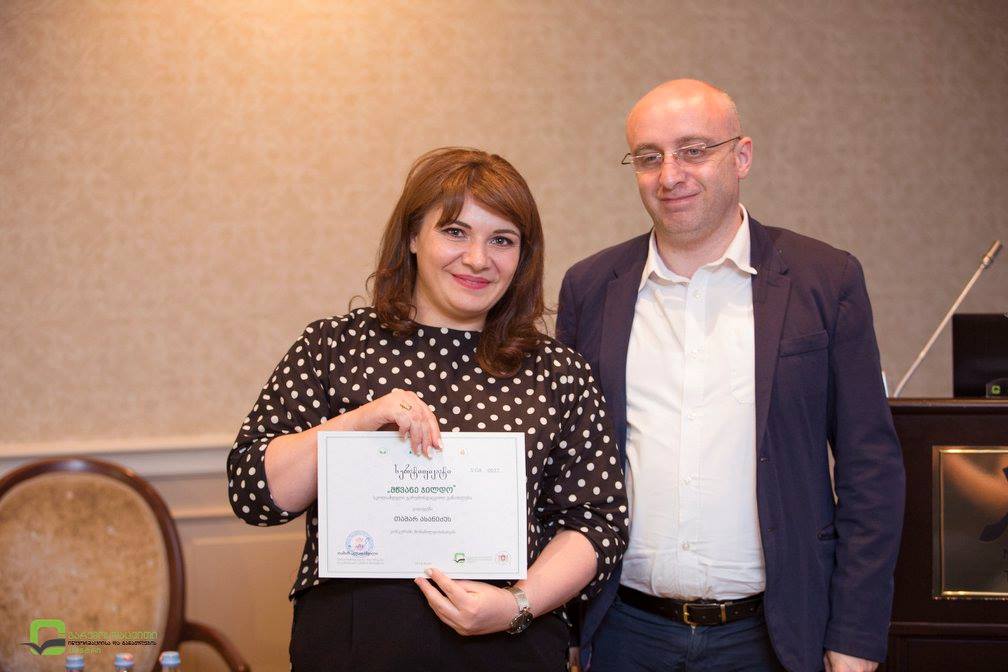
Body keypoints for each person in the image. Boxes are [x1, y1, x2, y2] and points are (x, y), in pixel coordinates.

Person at [227, 147, 628, 672]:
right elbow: (255, 495)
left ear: (523, 256)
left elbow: (596, 521)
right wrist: (357, 423)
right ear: (413, 236)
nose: (478, 259)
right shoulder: (334, 347)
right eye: (455, 232)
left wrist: (515, 605)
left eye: (501, 240)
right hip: (355, 640)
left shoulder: (558, 371)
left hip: (509, 643)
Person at [556, 80, 905, 672]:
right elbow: (564, 467)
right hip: (621, 631)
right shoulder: (590, 288)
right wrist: (564, 622)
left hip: (774, 634)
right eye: (649, 157)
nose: (670, 175)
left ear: (741, 156)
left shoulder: (825, 280)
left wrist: (855, 634)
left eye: (693, 150)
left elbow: (870, 467)